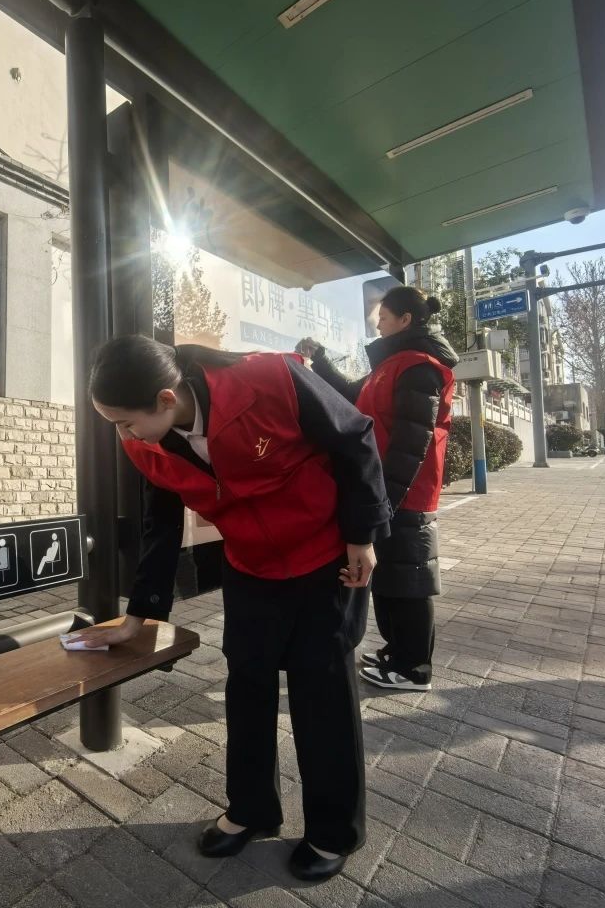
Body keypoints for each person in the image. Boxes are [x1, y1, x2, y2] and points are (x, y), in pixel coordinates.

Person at [70, 335, 390, 883]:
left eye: (125, 422)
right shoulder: (146, 445)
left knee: (323, 693)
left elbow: (354, 434)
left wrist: (363, 535)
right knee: (247, 687)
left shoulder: (269, 379)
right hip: (249, 565)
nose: (123, 435)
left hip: (324, 557)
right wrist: (137, 617)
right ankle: (251, 810)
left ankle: (333, 832)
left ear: (165, 399)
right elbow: (160, 525)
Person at [298, 286, 457, 693]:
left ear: (405, 320)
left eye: (384, 317)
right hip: (385, 490)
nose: (378, 324)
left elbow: (411, 443)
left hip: (405, 494)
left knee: (409, 582)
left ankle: (414, 667)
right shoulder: (392, 364)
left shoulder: (420, 367)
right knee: (389, 579)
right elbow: (353, 395)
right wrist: (320, 360)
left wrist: (386, 501)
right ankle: (396, 651)